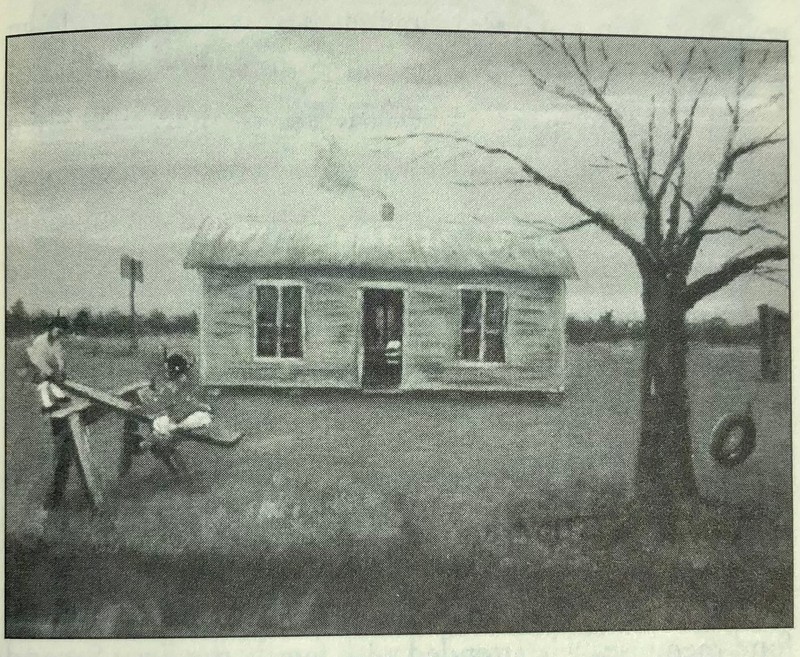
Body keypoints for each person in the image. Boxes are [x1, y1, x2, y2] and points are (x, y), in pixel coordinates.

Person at [122, 353, 212, 476]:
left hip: (181, 420)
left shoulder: (172, 386)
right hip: (190, 418)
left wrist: (139, 409)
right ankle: (151, 447)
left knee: (163, 429)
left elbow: (157, 405)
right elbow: (189, 401)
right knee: (165, 432)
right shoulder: (184, 381)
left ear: (171, 371)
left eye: (168, 370)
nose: (167, 373)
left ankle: (144, 446)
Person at [26, 316, 80, 512]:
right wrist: (50, 373)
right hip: (42, 381)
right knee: (44, 388)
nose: (59, 334)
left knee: (60, 397)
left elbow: (59, 361)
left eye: (62, 332)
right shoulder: (40, 342)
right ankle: (55, 495)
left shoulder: (56, 344)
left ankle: (57, 492)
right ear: (52, 328)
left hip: (54, 384)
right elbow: (38, 363)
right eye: (58, 330)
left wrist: (61, 371)